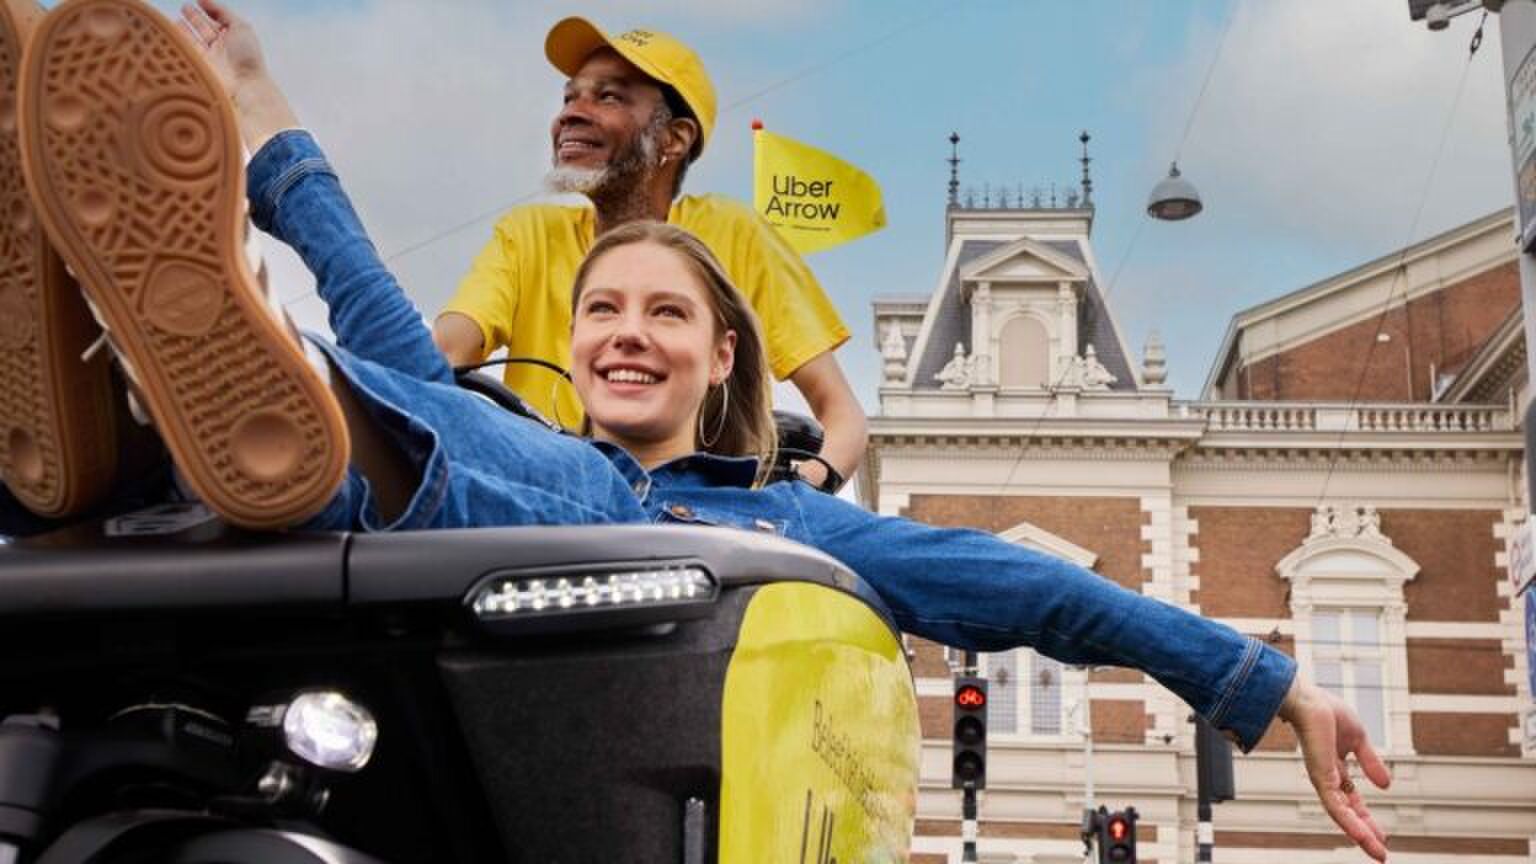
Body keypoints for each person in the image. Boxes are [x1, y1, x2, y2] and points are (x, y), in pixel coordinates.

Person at [1, 1, 1390, 859]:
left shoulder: (771, 522)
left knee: (446, 432)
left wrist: (1272, 689)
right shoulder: (508, 407)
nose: (622, 330)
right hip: (228, 552)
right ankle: (118, 382)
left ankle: (182, 373)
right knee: (400, 392)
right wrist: (262, 111)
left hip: (451, 579)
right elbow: (388, 321)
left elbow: (1029, 586)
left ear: (727, 358)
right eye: (604, 307)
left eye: (666, 315)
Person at [432, 15, 866, 491]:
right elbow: (442, 355)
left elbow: (841, 414)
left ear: (674, 138)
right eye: (570, 96)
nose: (570, 114)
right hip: (550, 514)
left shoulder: (735, 235)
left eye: (609, 96)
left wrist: (801, 495)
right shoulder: (528, 234)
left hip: (699, 524)